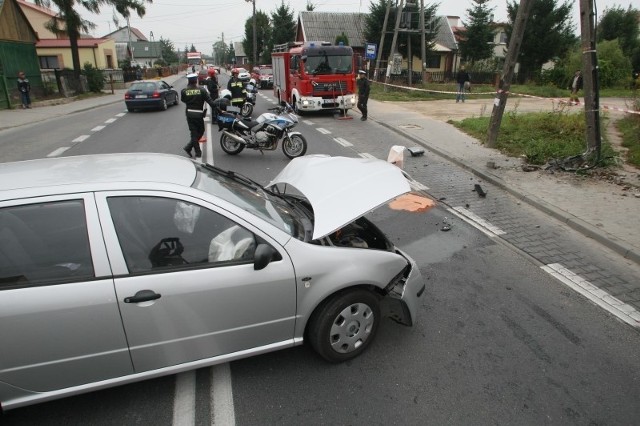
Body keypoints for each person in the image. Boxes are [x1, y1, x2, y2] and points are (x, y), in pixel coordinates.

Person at [180, 73, 218, 158]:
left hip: (189, 114)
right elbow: (211, 102)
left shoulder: (184, 91)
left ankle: (189, 147)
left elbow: (183, 100)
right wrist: (217, 107)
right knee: (200, 132)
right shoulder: (202, 90)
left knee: (194, 133)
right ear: (196, 80)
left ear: (189, 81)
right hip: (199, 115)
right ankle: (198, 152)